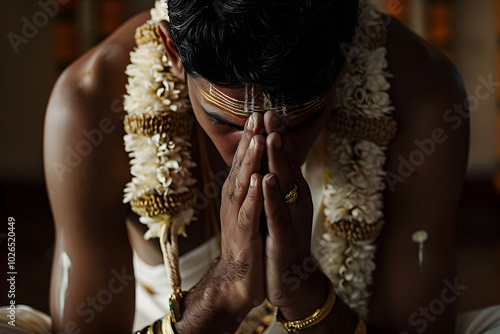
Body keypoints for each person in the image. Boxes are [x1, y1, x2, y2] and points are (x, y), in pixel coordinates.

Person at [3, 0, 499, 333]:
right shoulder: (91, 98)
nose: (260, 147)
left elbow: (416, 326)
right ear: (174, 52)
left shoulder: (422, 93)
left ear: (344, 66)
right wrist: (220, 295)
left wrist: (305, 290)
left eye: (300, 122)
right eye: (226, 120)